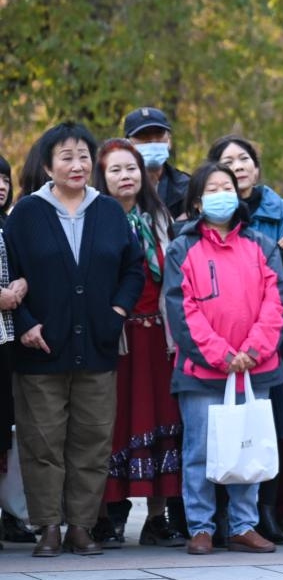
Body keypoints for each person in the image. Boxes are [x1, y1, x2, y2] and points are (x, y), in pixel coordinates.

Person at [5, 122, 145, 557]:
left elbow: (133, 268)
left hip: (97, 349)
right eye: (66, 157)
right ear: (47, 165)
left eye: (83, 156)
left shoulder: (108, 212)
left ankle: (81, 526)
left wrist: (117, 311)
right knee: (42, 442)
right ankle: (47, 526)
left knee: (91, 440)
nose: (77, 164)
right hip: (39, 349)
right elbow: (7, 273)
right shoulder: (26, 214)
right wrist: (25, 322)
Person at [163, 162, 283, 556]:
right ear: (198, 202)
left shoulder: (260, 245)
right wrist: (220, 355)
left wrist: (251, 351)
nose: (223, 193)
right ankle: (200, 526)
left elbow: (277, 302)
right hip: (202, 370)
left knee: (246, 445)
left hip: (255, 368)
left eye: (228, 186)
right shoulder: (183, 247)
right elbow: (181, 310)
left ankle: (242, 524)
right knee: (199, 449)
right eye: (213, 188)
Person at [92, 139, 185, 548]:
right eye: (115, 170)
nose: (125, 176)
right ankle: (106, 515)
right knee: (112, 426)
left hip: (157, 336)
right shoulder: (94, 219)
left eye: (131, 168)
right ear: (103, 177)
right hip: (115, 338)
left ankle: (157, 517)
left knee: (162, 422)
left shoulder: (161, 218)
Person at [208, 135, 283, 545]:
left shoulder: (279, 208)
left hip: (270, 334)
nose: (239, 166)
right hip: (219, 342)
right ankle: (222, 513)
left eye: (245, 158)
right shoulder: (208, 212)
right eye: (229, 161)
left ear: (256, 166)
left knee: (273, 424)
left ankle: (269, 508)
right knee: (222, 423)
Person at [0, 153, 31, 548]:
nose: (1, 185)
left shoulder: (10, 225)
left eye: (4, 178)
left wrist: (20, 285)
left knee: (5, 429)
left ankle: (10, 515)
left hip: (5, 339)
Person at [124, 107, 190, 220]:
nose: (153, 142)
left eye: (158, 135)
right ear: (128, 145)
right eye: (143, 136)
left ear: (169, 141)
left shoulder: (187, 187)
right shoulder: (117, 187)